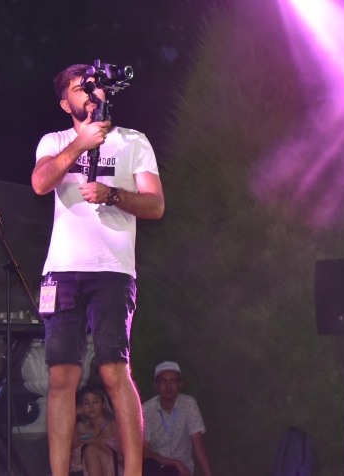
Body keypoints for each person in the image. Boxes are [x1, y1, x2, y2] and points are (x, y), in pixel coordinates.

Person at [32, 64, 165, 476]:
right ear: (65, 103)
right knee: (62, 377)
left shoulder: (133, 141)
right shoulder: (55, 141)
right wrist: (81, 143)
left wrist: (113, 195)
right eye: (79, 88)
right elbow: (40, 183)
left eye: (94, 85)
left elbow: (155, 205)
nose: (90, 92)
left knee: (114, 370)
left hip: (112, 270)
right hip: (62, 271)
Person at [142, 361, 213, 476]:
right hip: (157, 467)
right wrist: (174, 462)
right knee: (148, 465)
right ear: (156, 385)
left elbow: (198, 445)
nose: (168, 386)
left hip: (182, 469)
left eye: (173, 381)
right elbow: (144, 452)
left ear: (180, 384)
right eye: (163, 381)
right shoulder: (146, 409)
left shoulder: (188, 404)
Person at [72, 384, 123, 476]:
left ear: (103, 404)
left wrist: (97, 443)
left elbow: (122, 458)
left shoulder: (115, 426)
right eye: (86, 403)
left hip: (114, 469)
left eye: (95, 402)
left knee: (91, 450)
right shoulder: (83, 428)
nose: (91, 406)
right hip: (84, 471)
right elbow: (75, 443)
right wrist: (73, 416)